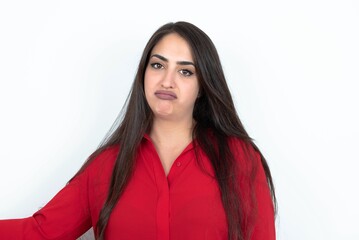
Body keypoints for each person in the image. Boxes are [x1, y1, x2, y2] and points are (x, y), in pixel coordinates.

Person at [0, 21, 276, 240]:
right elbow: (40, 232)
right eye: (158, 65)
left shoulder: (240, 159)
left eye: (185, 71)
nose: (167, 81)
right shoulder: (105, 165)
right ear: (143, 74)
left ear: (204, 85)